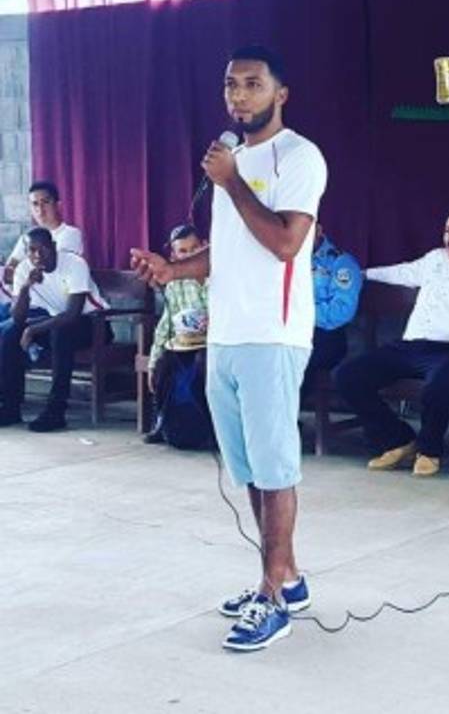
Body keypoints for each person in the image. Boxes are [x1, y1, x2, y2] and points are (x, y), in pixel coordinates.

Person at [131, 45, 326, 653]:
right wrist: (173, 269)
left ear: (280, 94)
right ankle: (285, 577)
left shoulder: (299, 157)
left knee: (275, 467)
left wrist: (233, 181)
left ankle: (273, 599)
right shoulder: (232, 160)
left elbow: (285, 243)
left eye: (252, 84)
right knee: (249, 468)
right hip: (226, 334)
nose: (238, 95)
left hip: (273, 332)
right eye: (230, 85)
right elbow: (231, 249)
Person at [335, 207, 449, 477]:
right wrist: (361, 273)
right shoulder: (435, 259)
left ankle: (430, 450)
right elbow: (401, 272)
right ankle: (399, 440)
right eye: (448, 231)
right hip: (412, 346)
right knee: (347, 376)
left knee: (439, 386)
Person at [0, 227, 108, 431]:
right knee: (9, 332)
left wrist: (32, 330)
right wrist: (26, 287)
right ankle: (10, 407)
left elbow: (72, 314)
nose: (37, 255)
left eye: (43, 249)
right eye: (32, 250)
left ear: (54, 246)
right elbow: (18, 317)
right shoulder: (24, 269)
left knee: (61, 332)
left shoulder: (74, 264)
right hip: (55, 321)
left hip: (93, 324)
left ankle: (56, 411)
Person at [143, 223, 213, 449]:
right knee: (163, 365)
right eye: (183, 251)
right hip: (185, 344)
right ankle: (162, 421)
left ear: (204, 247)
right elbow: (166, 324)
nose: (190, 255)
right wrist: (153, 360)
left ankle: (211, 427)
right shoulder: (174, 283)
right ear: (174, 256)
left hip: (215, 344)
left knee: (203, 363)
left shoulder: (218, 277)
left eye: (195, 249)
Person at [299, 224, 362, 402]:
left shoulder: (341, 262)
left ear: (318, 230)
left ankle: (286, 414)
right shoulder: (286, 259)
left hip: (325, 334)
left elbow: (341, 311)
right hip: (289, 330)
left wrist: (299, 314)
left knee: (297, 359)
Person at [0, 181, 83, 313]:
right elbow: (9, 273)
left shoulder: (70, 234)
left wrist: (22, 272)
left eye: (46, 202)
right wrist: (22, 273)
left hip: (51, 307)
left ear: (57, 205)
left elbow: (49, 271)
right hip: (24, 303)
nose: (40, 209)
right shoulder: (28, 237)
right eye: (35, 204)